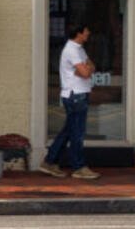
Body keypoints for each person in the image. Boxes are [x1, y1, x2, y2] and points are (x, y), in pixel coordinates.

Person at [43, 23, 101, 180]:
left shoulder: (78, 48)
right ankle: (78, 167)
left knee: (69, 130)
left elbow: (91, 66)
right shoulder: (72, 50)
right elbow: (85, 72)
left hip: (78, 93)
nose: (88, 34)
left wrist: (86, 68)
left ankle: (50, 161)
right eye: (86, 31)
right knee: (77, 133)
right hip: (76, 94)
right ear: (79, 33)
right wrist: (85, 68)